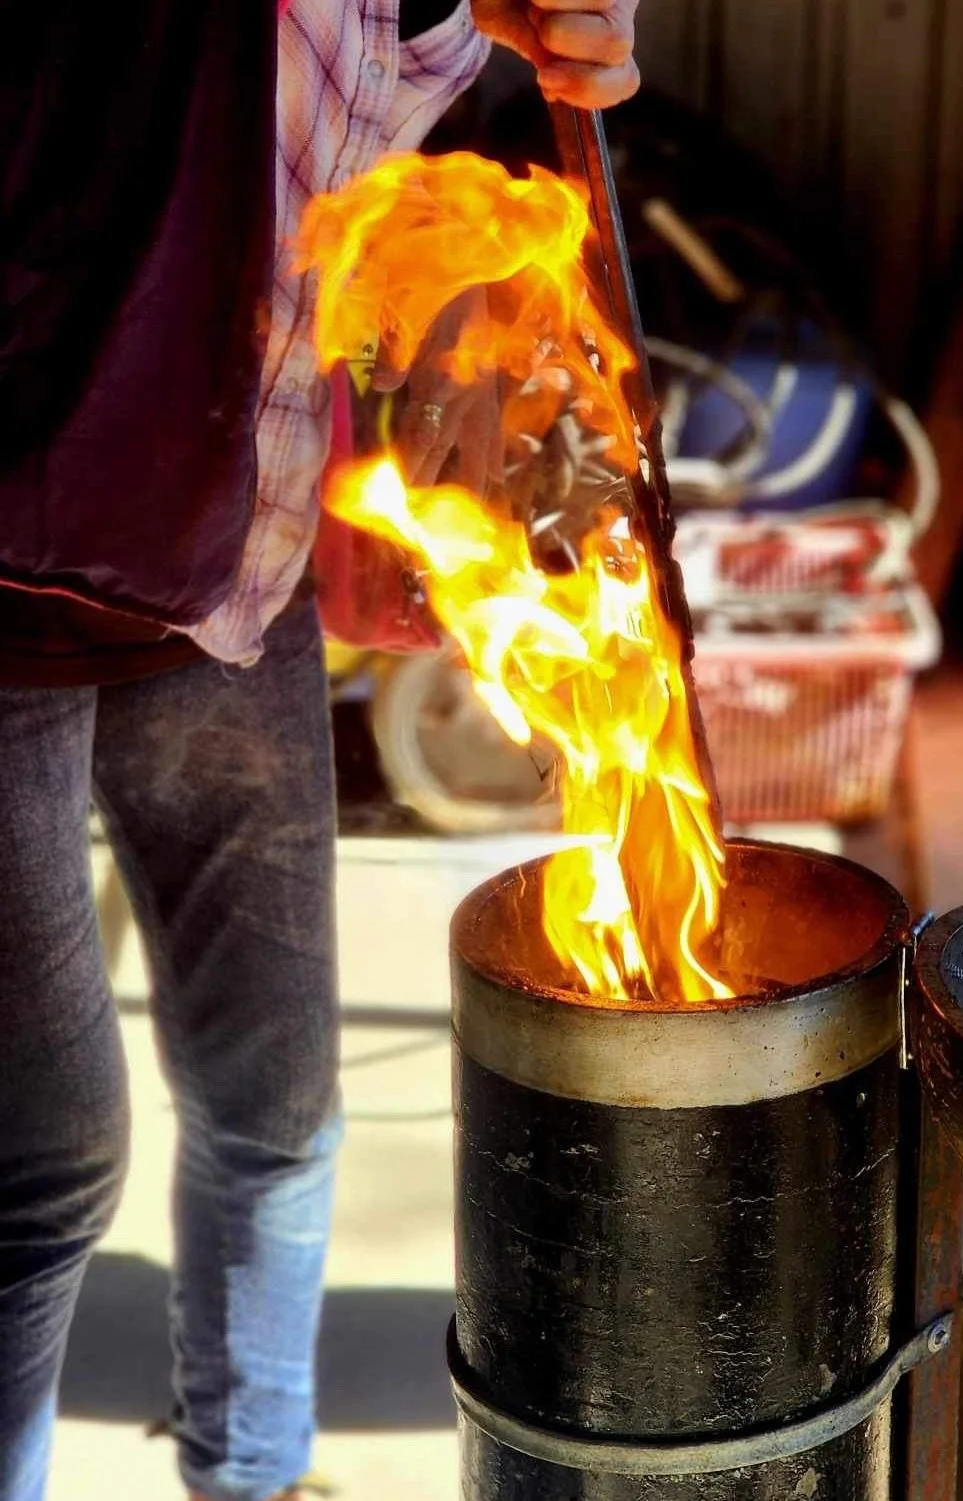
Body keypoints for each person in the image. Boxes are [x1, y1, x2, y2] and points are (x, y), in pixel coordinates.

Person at [0, 3, 640, 1499]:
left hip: (236, 566)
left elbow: (370, 215)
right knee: (40, 1167)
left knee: (276, 1104)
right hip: (15, 581)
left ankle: (254, 1473)